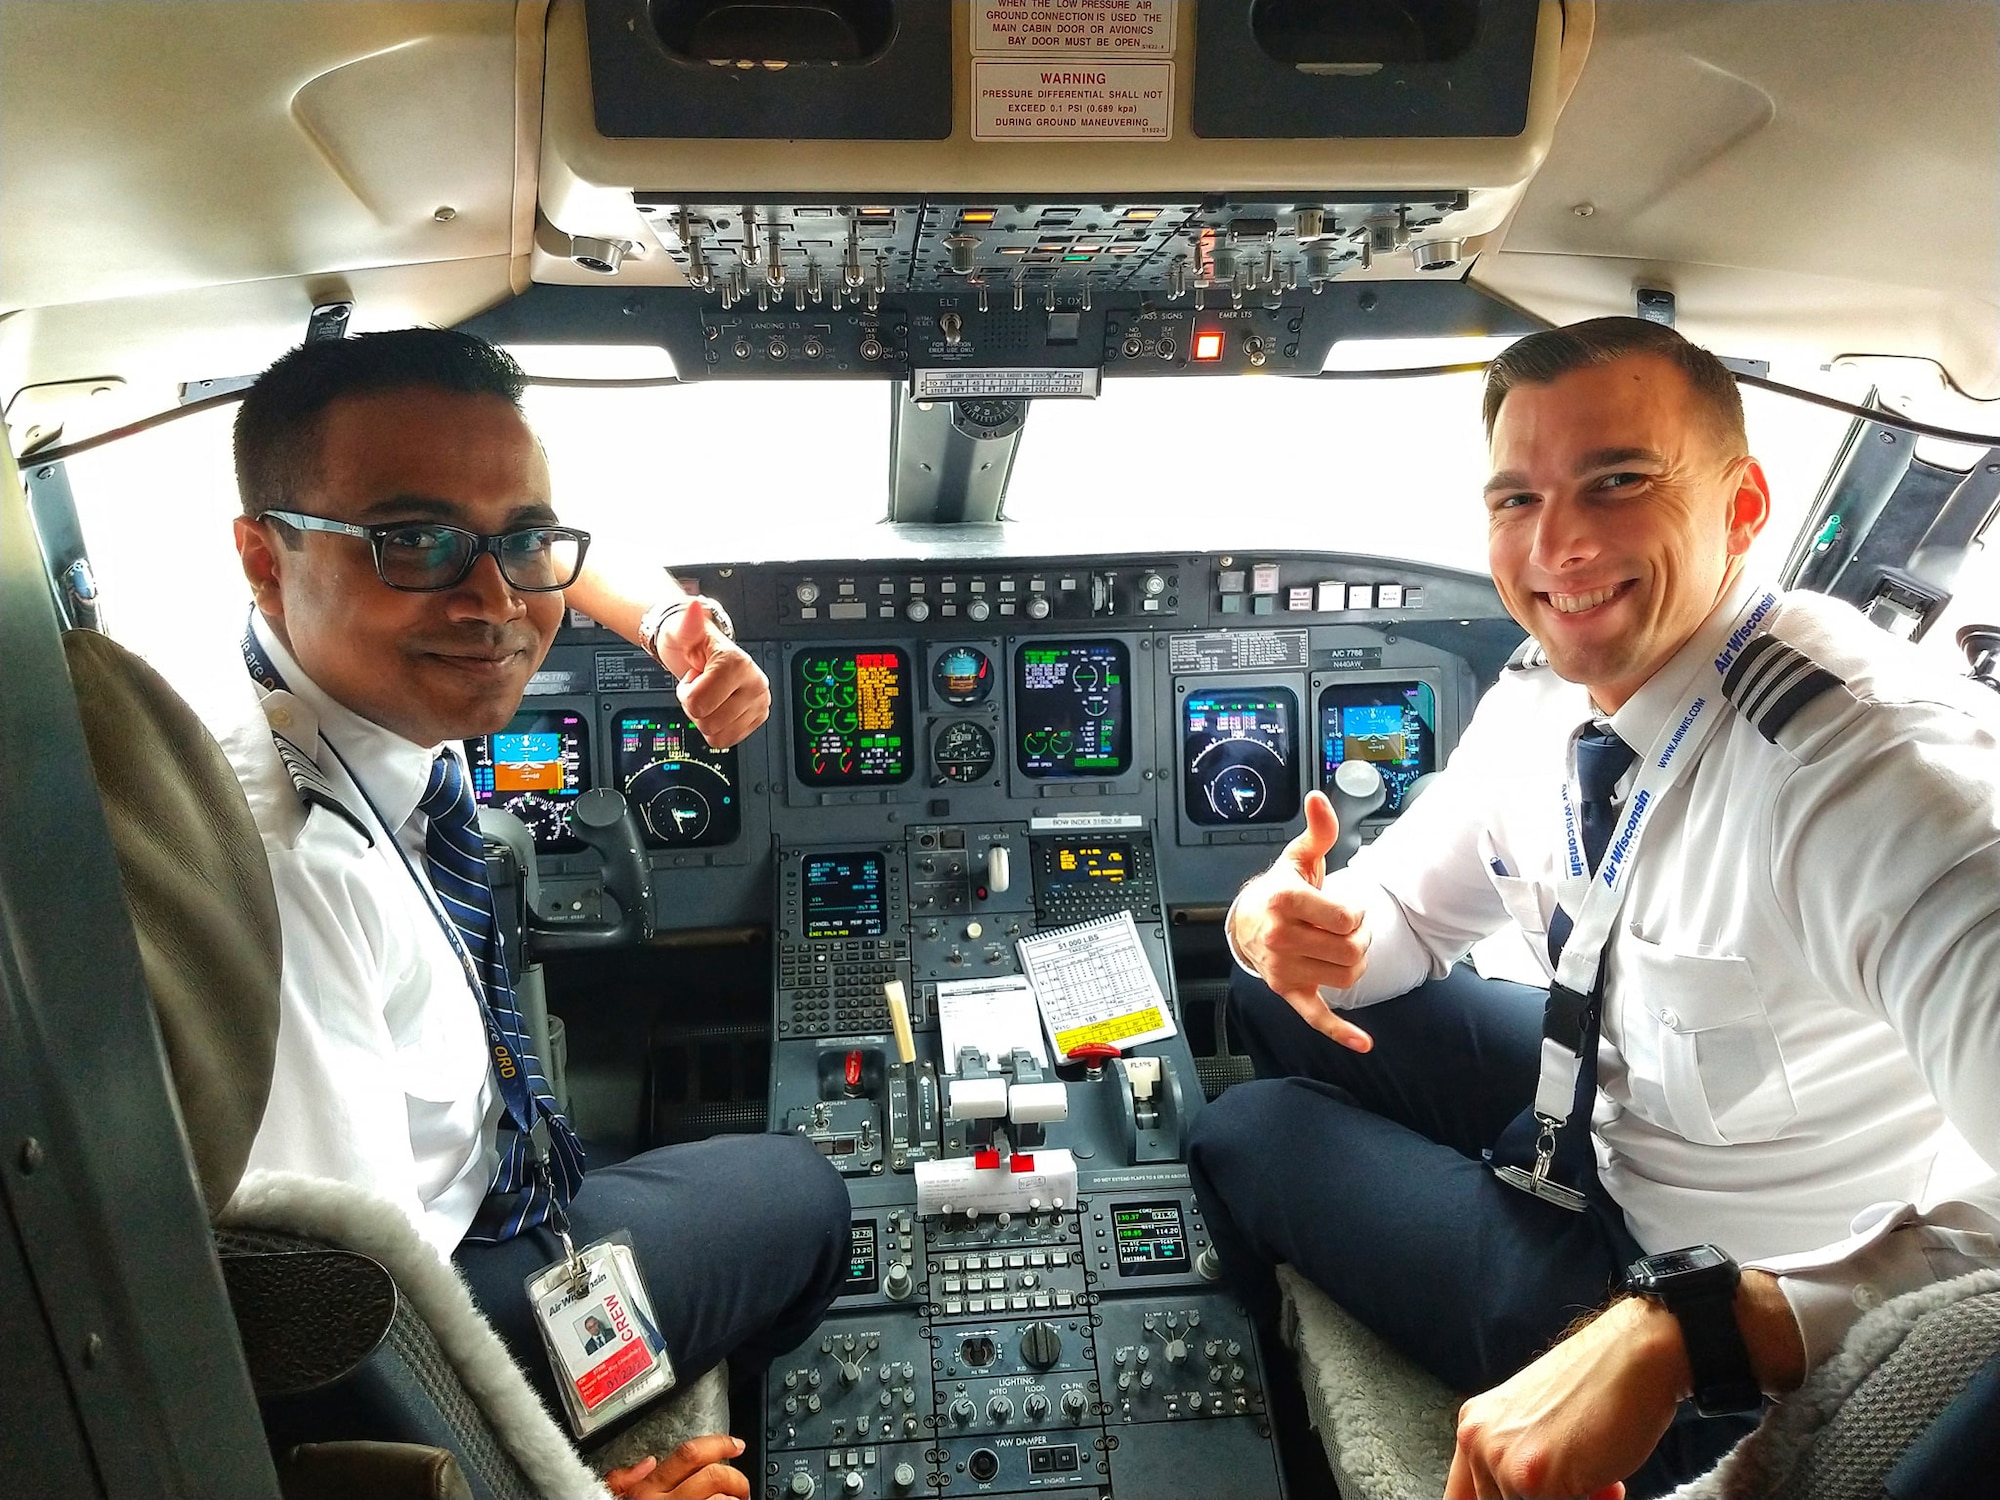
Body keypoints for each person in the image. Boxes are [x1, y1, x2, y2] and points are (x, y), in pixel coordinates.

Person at [1189, 316, 2000, 1499]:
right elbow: (1401, 918)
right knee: (1272, 1006)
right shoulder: (1543, 695)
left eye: (1615, 482)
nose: (1555, 544)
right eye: (1514, 500)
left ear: (1739, 505)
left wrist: (1702, 1329)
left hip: (1713, 1320)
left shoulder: (1874, 782)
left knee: (1242, 1131)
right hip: (1607, 1113)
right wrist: (1290, 922)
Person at [218, 327, 848, 1500]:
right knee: (804, 1198)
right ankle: (636, 1419)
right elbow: (338, 1326)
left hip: (489, 1181)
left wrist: (669, 627)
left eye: (523, 544)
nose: (497, 601)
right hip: (453, 1298)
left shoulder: (313, 703)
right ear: (264, 557)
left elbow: (518, 554)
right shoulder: (287, 867)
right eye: (415, 544)